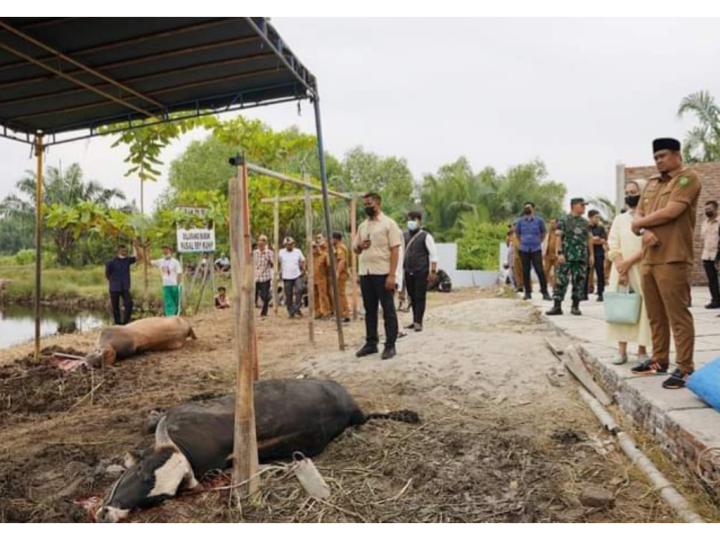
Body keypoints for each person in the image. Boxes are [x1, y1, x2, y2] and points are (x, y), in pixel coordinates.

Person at [631, 138, 702, 390]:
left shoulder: (687, 179)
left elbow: (673, 211)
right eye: (655, 157)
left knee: (678, 315)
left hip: (673, 257)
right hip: (650, 258)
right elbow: (635, 218)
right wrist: (642, 231)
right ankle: (659, 360)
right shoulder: (650, 184)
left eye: (662, 156)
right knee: (655, 315)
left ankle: (684, 368)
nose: (659, 160)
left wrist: (641, 224)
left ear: (676, 155)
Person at [606, 180, 651, 366]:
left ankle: (642, 351)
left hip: (642, 269)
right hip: (620, 271)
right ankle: (621, 351)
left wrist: (629, 263)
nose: (630, 195)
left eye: (634, 192)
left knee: (644, 311)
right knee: (621, 310)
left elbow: (648, 244)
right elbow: (613, 244)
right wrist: (621, 267)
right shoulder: (620, 219)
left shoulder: (649, 217)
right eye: (627, 192)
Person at [354, 193, 403, 361]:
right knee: (370, 311)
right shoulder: (362, 226)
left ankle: (390, 345)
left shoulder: (389, 224)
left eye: (369, 204)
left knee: (388, 310)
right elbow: (355, 248)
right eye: (365, 204)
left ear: (378, 203)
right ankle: (371, 343)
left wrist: (392, 275)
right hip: (365, 272)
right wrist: (360, 246)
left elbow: (395, 250)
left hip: (383, 273)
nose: (367, 207)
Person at [547, 198, 593, 317]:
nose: (584, 207)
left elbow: (589, 239)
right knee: (561, 280)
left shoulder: (585, 223)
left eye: (584, 205)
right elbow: (558, 237)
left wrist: (591, 255)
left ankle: (575, 306)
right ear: (573, 206)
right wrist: (560, 253)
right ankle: (557, 306)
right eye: (581, 205)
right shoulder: (564, 220)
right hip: (566, 256)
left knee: (579, 281)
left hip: (581, 257)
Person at [403, 211, 439, 332]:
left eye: (413, 219)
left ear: (419, 221)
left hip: (421, 271)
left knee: (420, 296)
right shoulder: (404, 235)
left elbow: (433, 255)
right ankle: (414, 320)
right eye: (409, 219)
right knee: (411, 296)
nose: (410, 222)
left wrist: (433, 271)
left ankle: (419, 321)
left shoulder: (426, 236)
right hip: (408, 270)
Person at [516, 202, 552, 301]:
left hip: (536, 248)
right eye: (525, 207)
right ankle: (527, 293)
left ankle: (545, 292)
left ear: (533, 209)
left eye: (529, 207)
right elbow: (518, 235)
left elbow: (544, 233)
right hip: (524, 249)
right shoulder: (520, 221)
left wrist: (538, 241)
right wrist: (523, 242)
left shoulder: (539, 220)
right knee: (525, 271)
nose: (527, 209)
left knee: (540, 270)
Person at [106, 241, 143, 325]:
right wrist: (113, 282)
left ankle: (125, 322)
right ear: (118, 251)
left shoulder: (127, 260)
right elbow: (107, 274)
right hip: (114, 287)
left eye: (125, 251)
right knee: (115, 306)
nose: (124, 252)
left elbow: (140, 257)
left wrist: (136, 246)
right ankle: (117, 323)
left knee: (129, 303)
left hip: (125, 287)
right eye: (122, 251)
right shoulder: (111, 262)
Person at [151, 245, 183, 317]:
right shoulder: (160, 261)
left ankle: (177, 316)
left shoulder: (175, 262)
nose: (165, 250)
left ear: (170, 251)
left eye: (167, 249)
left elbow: (179, 273)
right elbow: (150, 262)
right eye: (164, 249)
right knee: (168, 302)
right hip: (166, 285)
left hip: (175, 284)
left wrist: (178, 284)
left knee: (176, 302)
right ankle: (170, 317)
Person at [278, 237, 306, 318]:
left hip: (297, 274)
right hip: (286, 276)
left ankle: (297, 307)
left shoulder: (298, 251)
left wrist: (303, 269)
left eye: (291, 244)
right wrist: (279, 271)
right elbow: (278, 262)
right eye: (287, 245)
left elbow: (303, 260)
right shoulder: (281, 252)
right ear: (285, 245)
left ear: (293, 244)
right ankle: (291, 311)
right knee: (288, 294)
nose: (289, 246)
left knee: (299, 289)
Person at [701, 201, 720, 310]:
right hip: (707, 254)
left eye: (709, 209)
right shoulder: (705, 223)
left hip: (717, 254)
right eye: (706, 209)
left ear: (716, 209)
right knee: (711, 279)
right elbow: (703, 238)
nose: (707, 211)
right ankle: (715, 300)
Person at [588, 210, 608, 302]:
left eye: (598, 217)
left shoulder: (600, 228)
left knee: (600, 274)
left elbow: (604, 240)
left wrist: (594, 240)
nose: (597, 219)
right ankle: (584, 292)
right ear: (590, 217)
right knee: (585, 273)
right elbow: (587, 240)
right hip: (587, 253)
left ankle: (601, 293)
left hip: (599, 253)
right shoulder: (586, 227)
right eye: (596, 217)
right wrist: (593, 239)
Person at [332, 232, 352, 323]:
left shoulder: (340, 248)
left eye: (332, 239)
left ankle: (344, 314)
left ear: (336, 239)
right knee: (339, 294)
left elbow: (342, 261)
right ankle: (342, 313)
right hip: (342, 273)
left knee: (340, 294)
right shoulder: (340, 247)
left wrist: (337, 273)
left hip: (341, 274)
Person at [253, 235, 274, 318]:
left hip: (265, 277)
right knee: (253, 295)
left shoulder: (269, 252)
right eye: (259, 240)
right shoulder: (255, 252)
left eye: (263, 240)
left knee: (265, 296)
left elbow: (273, 264)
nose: (260, 242)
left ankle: (264, 312)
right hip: (256, 277)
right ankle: (251, 312)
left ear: (265, 242)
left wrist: (269, 260)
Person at [311, 242, 331, 320]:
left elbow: (329, 266)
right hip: (312, 279)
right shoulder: (310, 256)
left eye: (315, 246)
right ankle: (317, 312)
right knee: (314, 296)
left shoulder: (324, 255)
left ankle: (326, 312)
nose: (314, 249)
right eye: (312, 247)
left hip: (321, 279)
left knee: (323, 295)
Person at [544, 219, 560, 290]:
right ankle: (543, 286)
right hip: (548, 255)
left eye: (553, 223)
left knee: (557, 271)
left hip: (556, 255)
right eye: (551, 223)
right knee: (545, 270)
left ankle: (555, 286)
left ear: (557, 224)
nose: (552, 224)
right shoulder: (548, 233)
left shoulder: (559, 233)